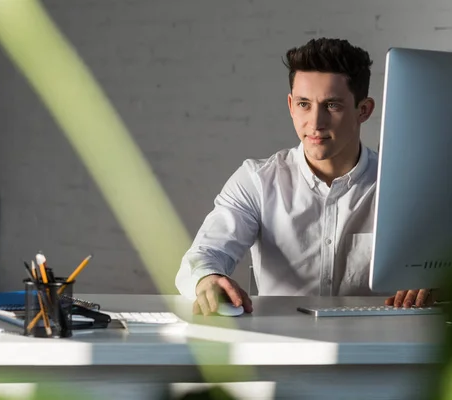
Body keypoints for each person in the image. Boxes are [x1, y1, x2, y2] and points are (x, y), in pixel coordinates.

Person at [176, 38, 431, 315]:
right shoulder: (258, 181)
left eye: (332, 105)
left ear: (364, 110)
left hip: (378, 349)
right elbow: (204, 255)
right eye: (304, 104)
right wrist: (207, 279)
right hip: (281, 349)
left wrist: (439, 285)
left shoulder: (403, 185)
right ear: (290, 105)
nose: (315, 123)